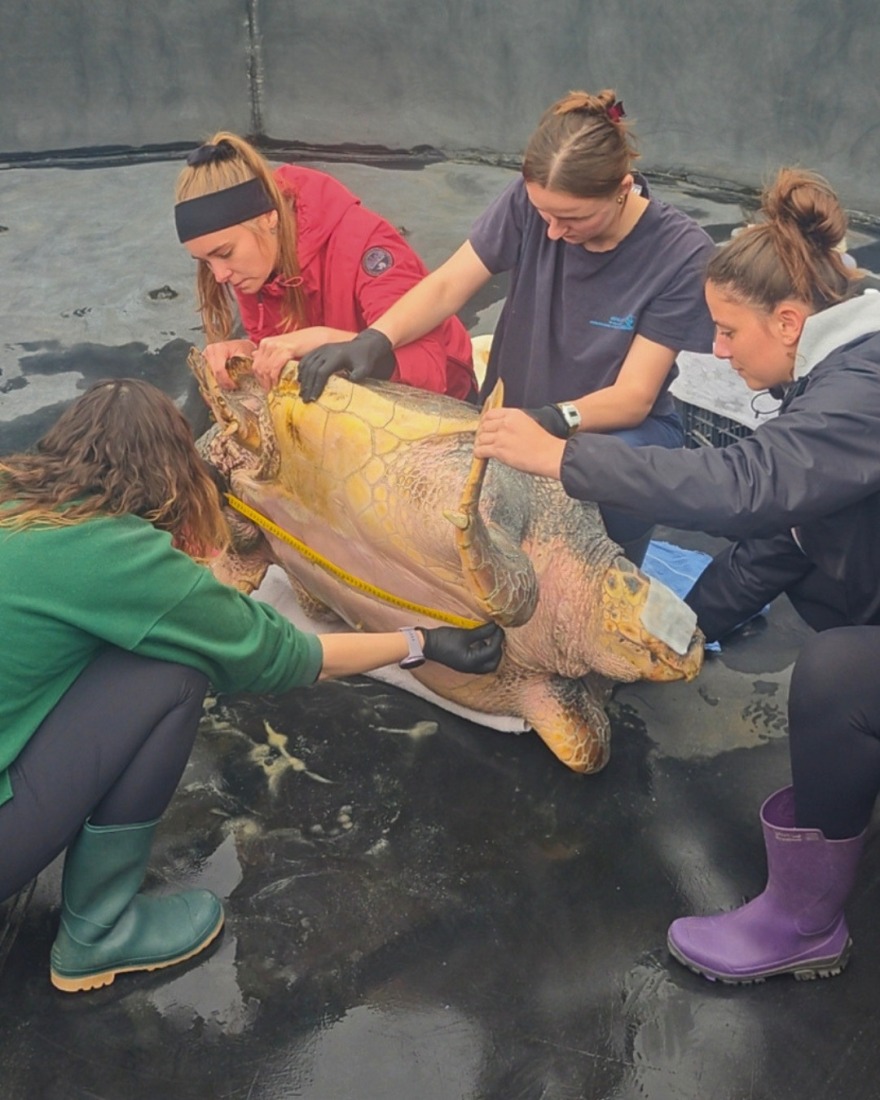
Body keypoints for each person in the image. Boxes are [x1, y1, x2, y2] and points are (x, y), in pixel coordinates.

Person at [473, 165, 880, 982]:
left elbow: (749, 485)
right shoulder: (844, 370)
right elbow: (789, 528)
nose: (717, 352)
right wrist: (673, 632)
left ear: (792, 320)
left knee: (839, 675)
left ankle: (806, 923)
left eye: (728, 332)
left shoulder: (863, 392)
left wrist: (564, 457)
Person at [0, 379, 503, 994]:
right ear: (169, 473)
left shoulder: (14, 496)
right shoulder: (115, 555)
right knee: (171, 673)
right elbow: (280, 653)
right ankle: (96, 935)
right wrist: (419, 643)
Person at [295, 89, 716, 564]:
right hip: (513, 417)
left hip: (615, 433)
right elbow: (449, 284)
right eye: (544, 215)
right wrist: (374, 338)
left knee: (598, 507)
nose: (554, 233)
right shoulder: (528, 203)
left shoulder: (681, 253)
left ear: (622, 189)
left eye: (573, 218)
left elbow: (635, 395)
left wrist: (553, 422)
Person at [173, 132, 476, 401]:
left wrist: (320, 340)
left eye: (225, 253)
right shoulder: (257, 264)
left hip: (441, 403)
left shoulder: (365, 243)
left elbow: (428, 370)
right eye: (206, 263)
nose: (220, 275)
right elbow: (277, 344)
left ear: (269, 218)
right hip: (345, 406)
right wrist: (249, 355)